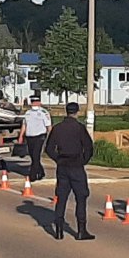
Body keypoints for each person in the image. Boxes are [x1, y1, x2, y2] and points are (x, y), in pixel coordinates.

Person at [45, 102, 94, 241]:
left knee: (61, 198)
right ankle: (81, 230)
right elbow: (89, 148)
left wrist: (58, 159)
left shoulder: (58, 128)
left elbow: (49, 149)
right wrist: (83, 160)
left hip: (62, 166)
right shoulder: (79, 128)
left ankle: (59, 231)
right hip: (76, 165)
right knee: (81, 197)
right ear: (77, 112)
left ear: (66, 111)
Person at [19, 96, 52, 182]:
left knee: (36, 155)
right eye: (33, 101)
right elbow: (24, 125)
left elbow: (48, 126)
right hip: (29, 137)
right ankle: (41, 171)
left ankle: (33, 175)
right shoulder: (28, 113)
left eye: (36, 101)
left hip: (39, 137)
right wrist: (21, 136)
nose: (35, 103)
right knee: (33, 156)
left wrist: (51, 137)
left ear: (39, 102)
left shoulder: (44, 112)